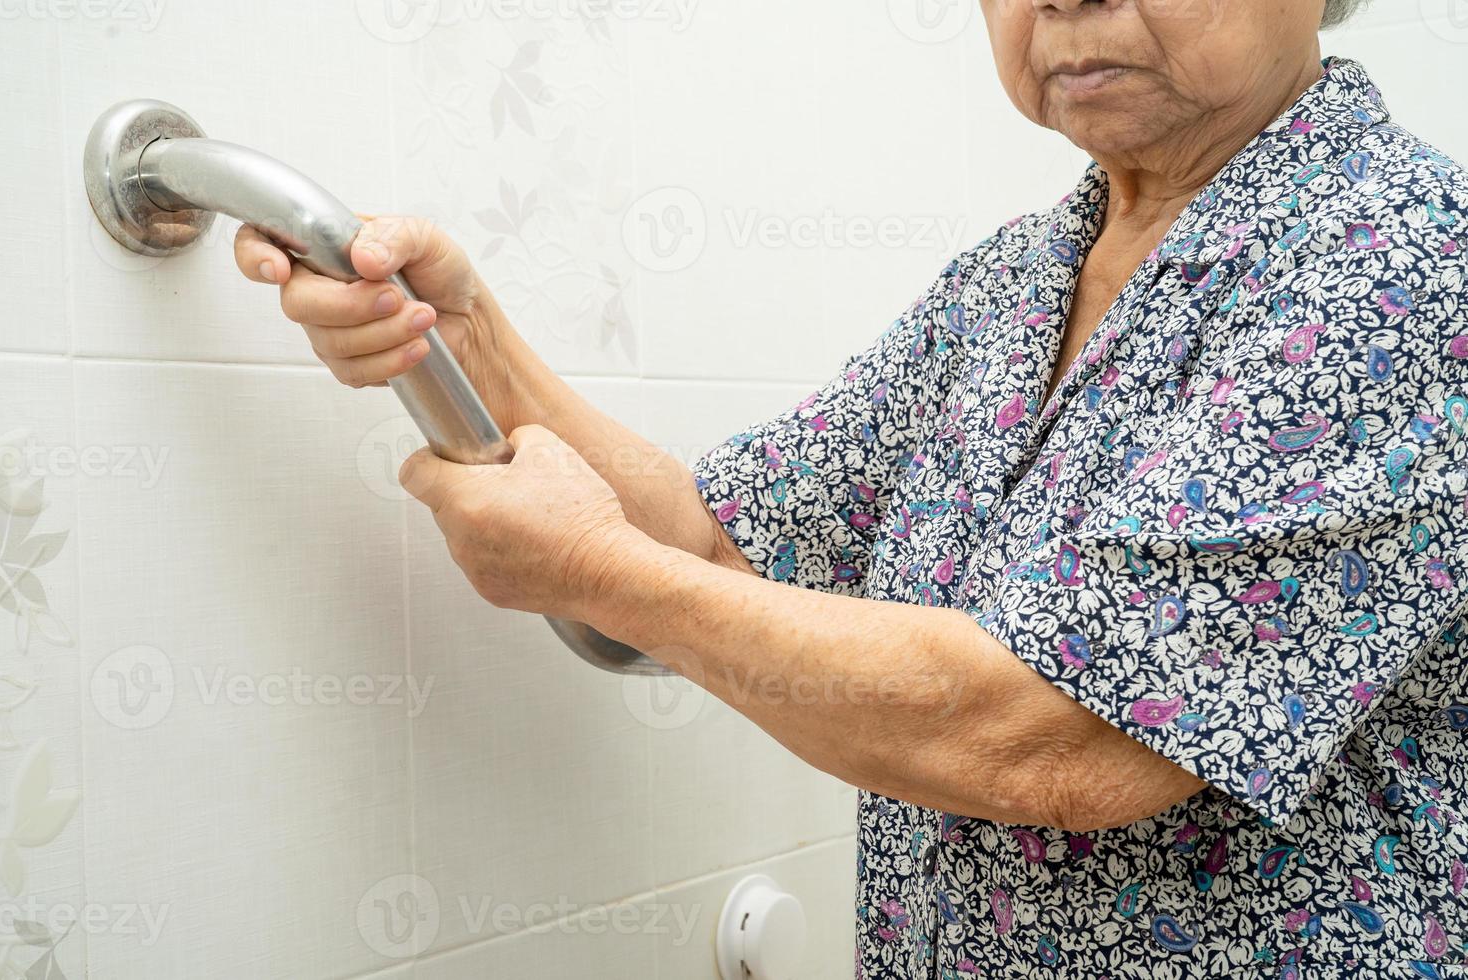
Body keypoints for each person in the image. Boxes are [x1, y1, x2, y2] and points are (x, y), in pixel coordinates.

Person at [235, 0, 1468, 975]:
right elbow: (728, 543)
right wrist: (472, 342)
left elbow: (1071, 740)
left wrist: (596, 570)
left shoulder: (1403, 254)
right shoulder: (1017, 276)